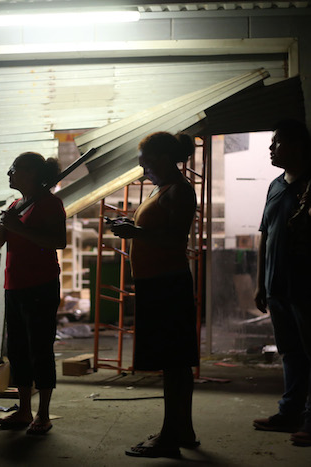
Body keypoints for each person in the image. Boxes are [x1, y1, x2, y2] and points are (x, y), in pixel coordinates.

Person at [253, 119, 311, 446]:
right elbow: (265, 236)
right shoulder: (276, 185)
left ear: (295, 146)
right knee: (291, 353)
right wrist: (261, 283)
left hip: (309, 287)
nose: (270, 148)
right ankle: (289, 413)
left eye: (276, 142)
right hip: (277, 287)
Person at [110, 131, 199, 458]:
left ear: (161, 159)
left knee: (174, 362)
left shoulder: (179, 191)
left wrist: (134, 232)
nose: (142, 168)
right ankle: (183, 429)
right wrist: (133, 229)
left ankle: (169, 436)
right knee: (174, 361)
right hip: (157, 283)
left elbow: (175, 240)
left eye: (144, 161)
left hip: (166, 284)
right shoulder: (164, 190)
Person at [0, 152, 66, 435]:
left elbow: (58, 241)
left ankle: (43, 414)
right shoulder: (17, 204)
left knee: (40, 348)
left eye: (15, 169)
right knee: (18, 349)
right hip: (15, 284)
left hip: (40, 284)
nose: (10, 174)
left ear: (33, 174)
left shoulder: (50, 204)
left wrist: (19, 227)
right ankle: (23, 410)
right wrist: (5, 224)